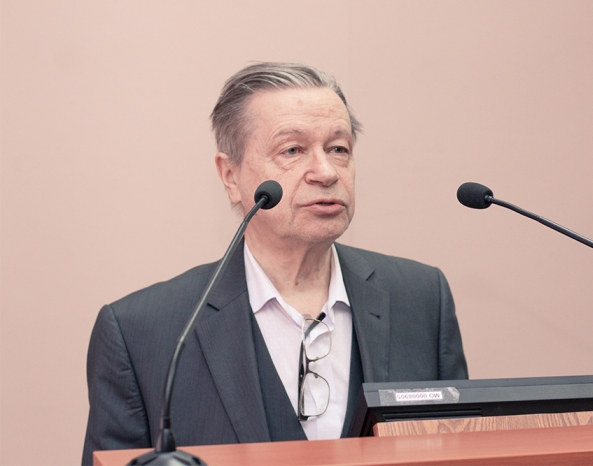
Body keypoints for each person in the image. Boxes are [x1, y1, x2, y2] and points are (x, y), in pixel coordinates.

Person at [82, 62, 467, 465]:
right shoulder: (142, 332)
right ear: (231, 176)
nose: (325, 172)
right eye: (292, 150)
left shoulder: (421, 298)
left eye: (338, 149)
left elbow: (462, 449)